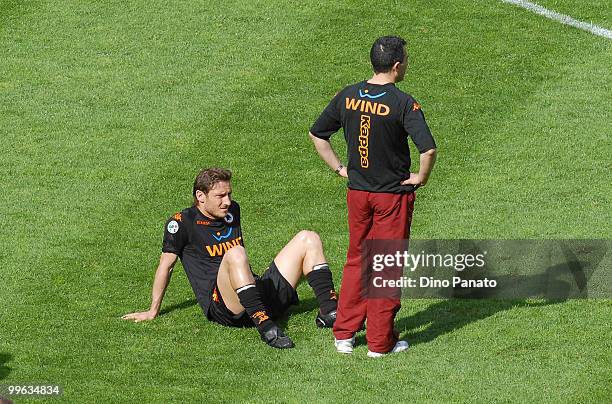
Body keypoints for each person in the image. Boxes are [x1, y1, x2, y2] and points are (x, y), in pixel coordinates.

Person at [309, 36, 437, 357]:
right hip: (391, 199)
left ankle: (345, 335)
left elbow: (317, 134)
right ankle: (380, 343)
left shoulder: (348, 95)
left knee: (357, 261)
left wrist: (340, 168)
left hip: (358, 195)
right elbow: (428, 149)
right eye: (406, 60)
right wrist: (421, 177)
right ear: (396, 66)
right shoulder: (404, 103)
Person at [122, 168, 338, 349]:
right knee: (235, 252)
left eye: (229, 194)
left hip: (253, 291)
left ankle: (330, 311)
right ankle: (265, 327)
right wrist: (153, 310)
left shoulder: (233, 210)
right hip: (225, 306)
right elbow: (166, 266)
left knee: (309, 238)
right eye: (220, 196)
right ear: (200, 196)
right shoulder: (181, 223)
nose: (227, 201)